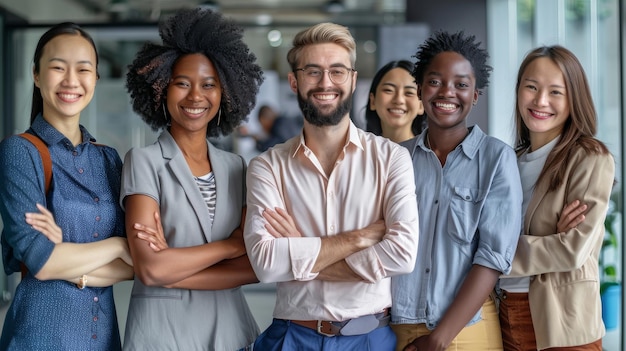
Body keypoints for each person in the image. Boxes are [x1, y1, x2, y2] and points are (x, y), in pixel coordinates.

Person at [243, 22, 420, 351]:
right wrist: (359, 238)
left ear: (352, 80)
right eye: (313, 71)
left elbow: (402, 255)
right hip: (293, 337)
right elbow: (266, 263)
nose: (326, 83)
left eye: (337, 71)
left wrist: (302, 252)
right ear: (294, 81)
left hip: (371, 338)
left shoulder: (391, 159)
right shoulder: (267, 166)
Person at [121, 8, 264, 351]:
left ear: (225, 92)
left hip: (231, 333)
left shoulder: (237, 168)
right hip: (163, 336)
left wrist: (174, 269)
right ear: (160, 89)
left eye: (209, 85)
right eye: (182, 83)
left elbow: (255, 268)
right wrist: (231, 246)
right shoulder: (143, 162)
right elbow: (152, 269)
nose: (195, 96)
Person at [0, 22, 134, 350]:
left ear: (96, 79)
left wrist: (66, 258)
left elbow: (136, 266)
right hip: (41, 335)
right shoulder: (20, 151)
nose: (71, 81)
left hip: (101, 336)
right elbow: (42, 261)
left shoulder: (109, 160)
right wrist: (117, 245)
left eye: (83, 69)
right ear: (36, 75)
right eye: (58, 67)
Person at [391, 31, 523, 351]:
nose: (447, 92)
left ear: (475, 95)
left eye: (461, 84)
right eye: (435, 81)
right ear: (420, 90)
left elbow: (492, 257)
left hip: (467, 329)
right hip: (396, 326)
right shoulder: (396, 157)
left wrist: (438, 338)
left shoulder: (496, 159)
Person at [497, 45, 614, 351]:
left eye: (555, 92)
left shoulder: (589, 157)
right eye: (531, 87)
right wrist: (549, 240)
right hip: (503, 313)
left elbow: (572, 251)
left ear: (574, 97)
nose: (541, 101)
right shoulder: (508, 159)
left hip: (563, 321)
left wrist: (492, 255)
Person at [366, 60, 426, 143]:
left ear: (421, 105)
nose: (399, 100)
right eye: (389, 90)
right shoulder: (359, 153)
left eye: (409, 92)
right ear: (372, 101)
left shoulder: (432, 154)